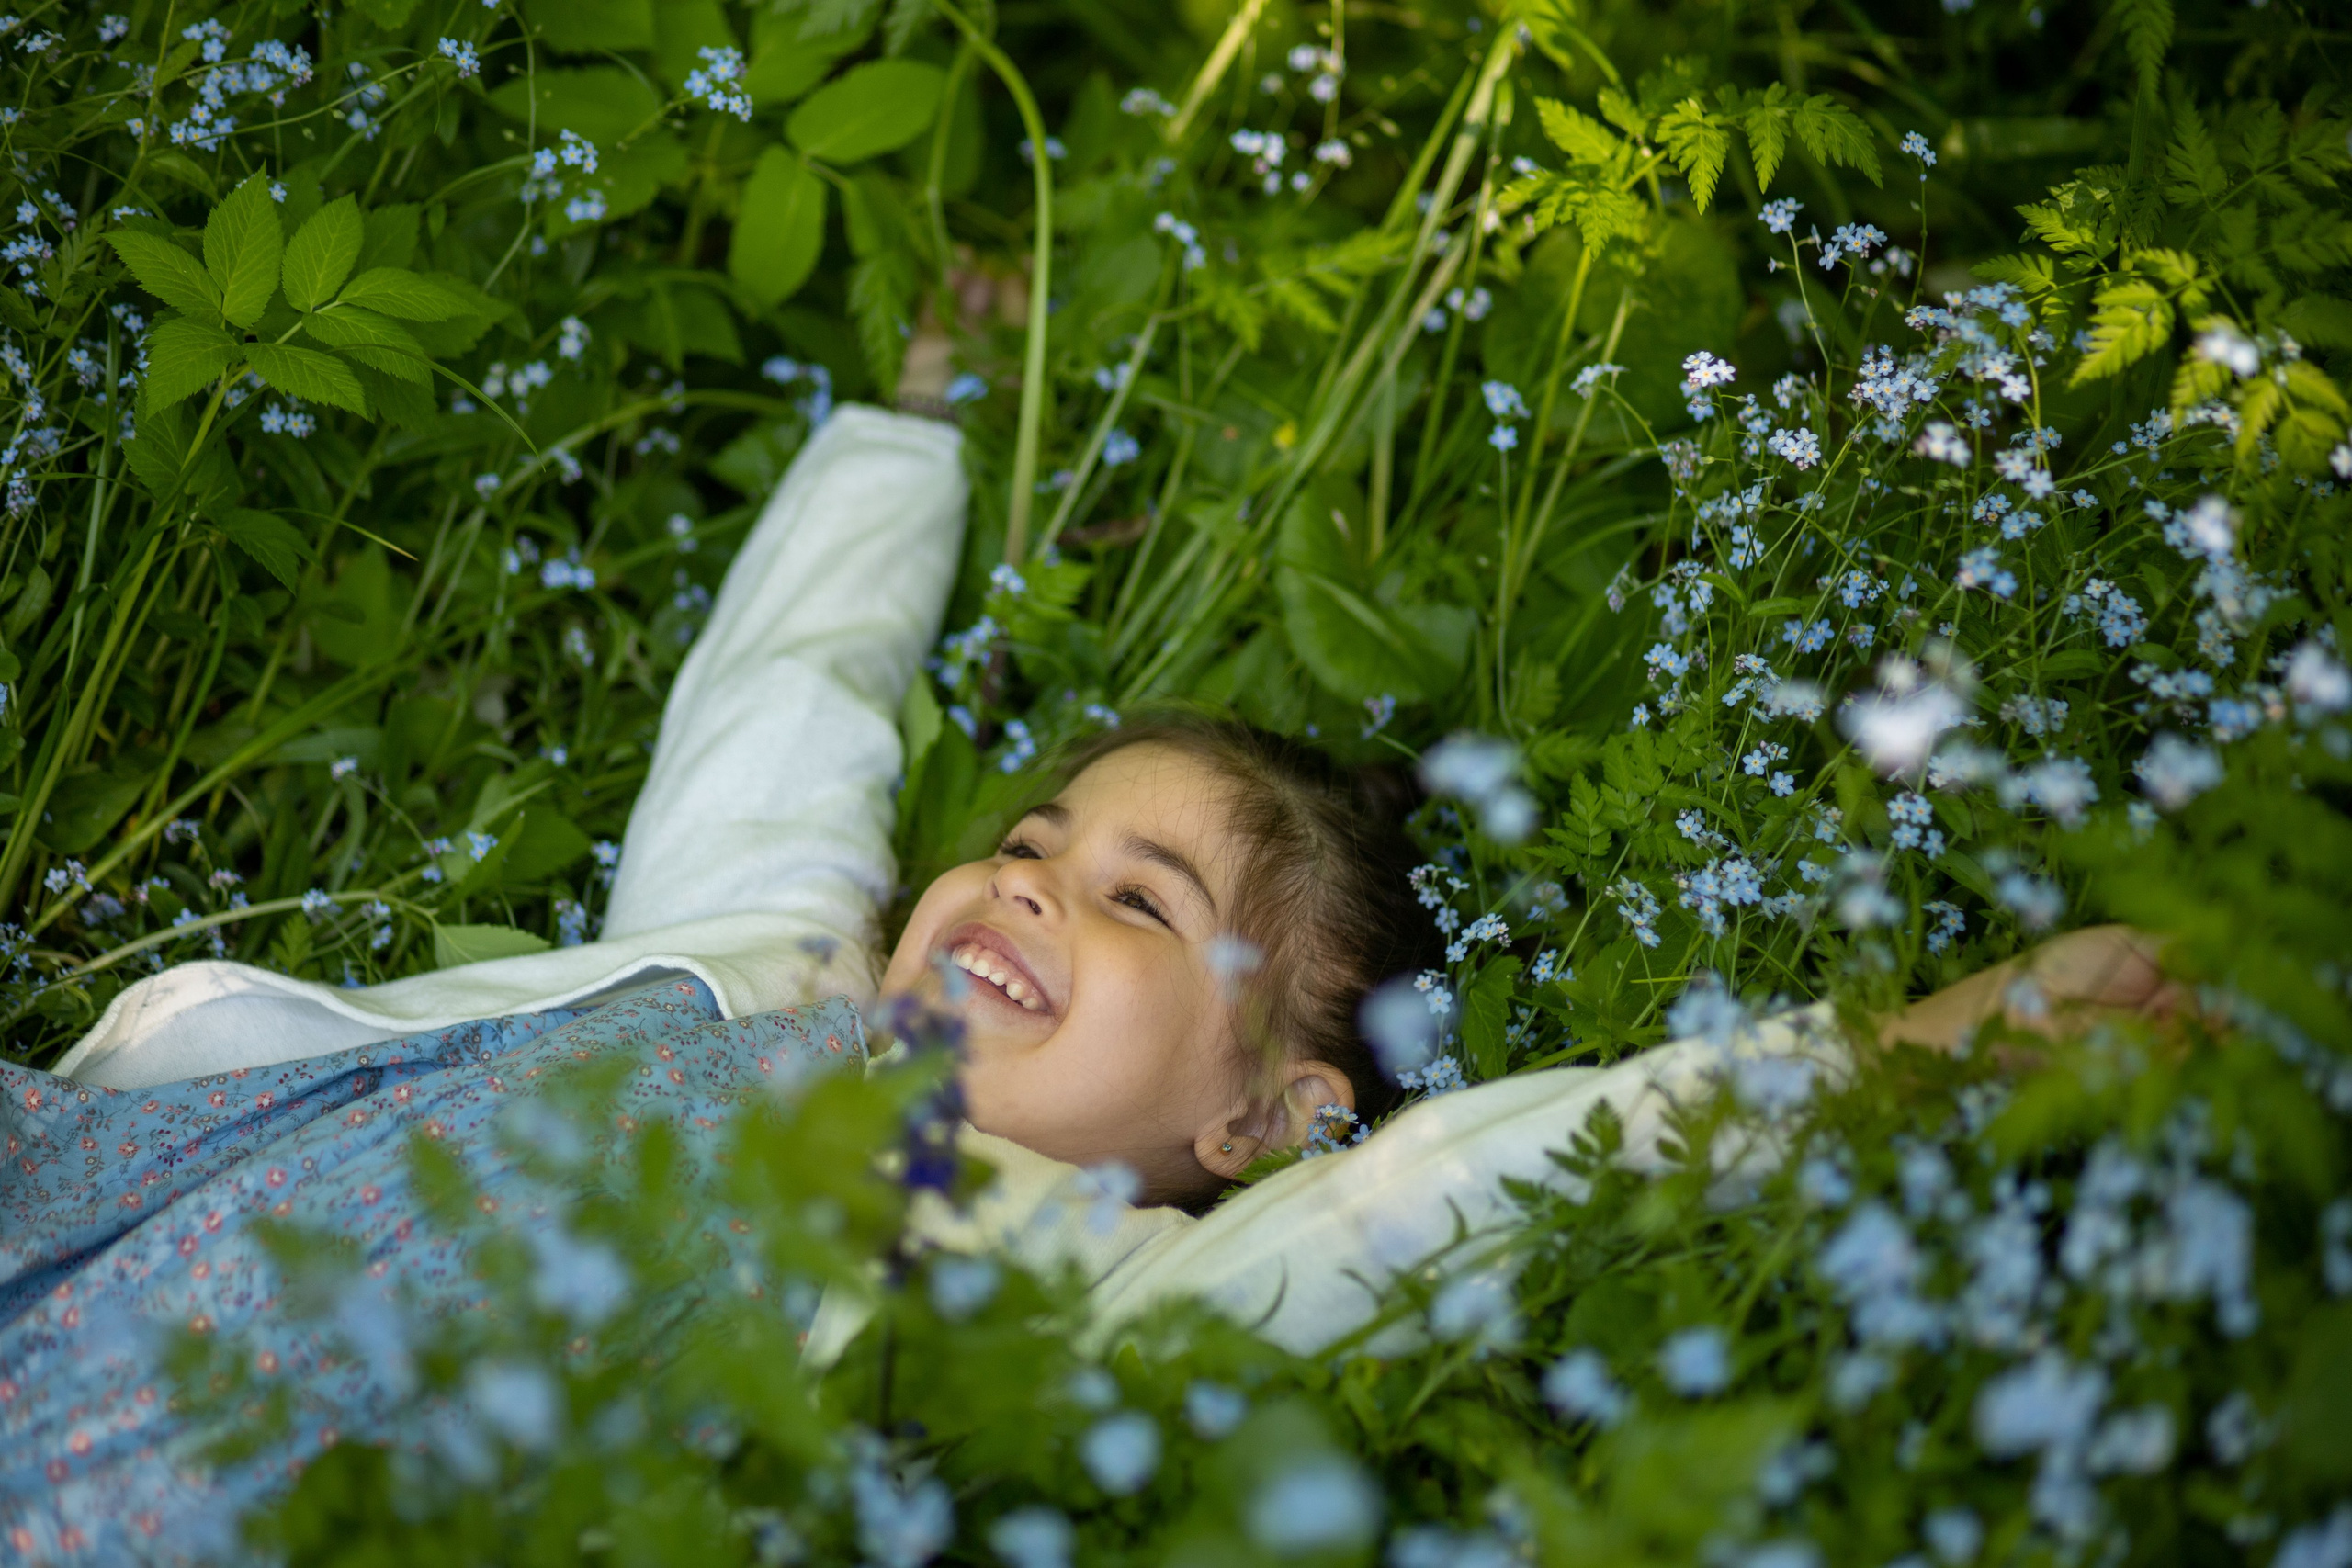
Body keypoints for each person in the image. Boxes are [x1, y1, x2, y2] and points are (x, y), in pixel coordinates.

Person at [0, 325, 2185, 1555]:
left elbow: (1472, 1182)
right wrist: (903, 430)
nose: (1027, 879)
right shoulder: (774, 960)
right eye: (1036, 841)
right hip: (107, 1216)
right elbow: (791, 716)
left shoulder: (1073, 1272)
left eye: (1140, 899)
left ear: (1263, 1110)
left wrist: (1924, 1042)